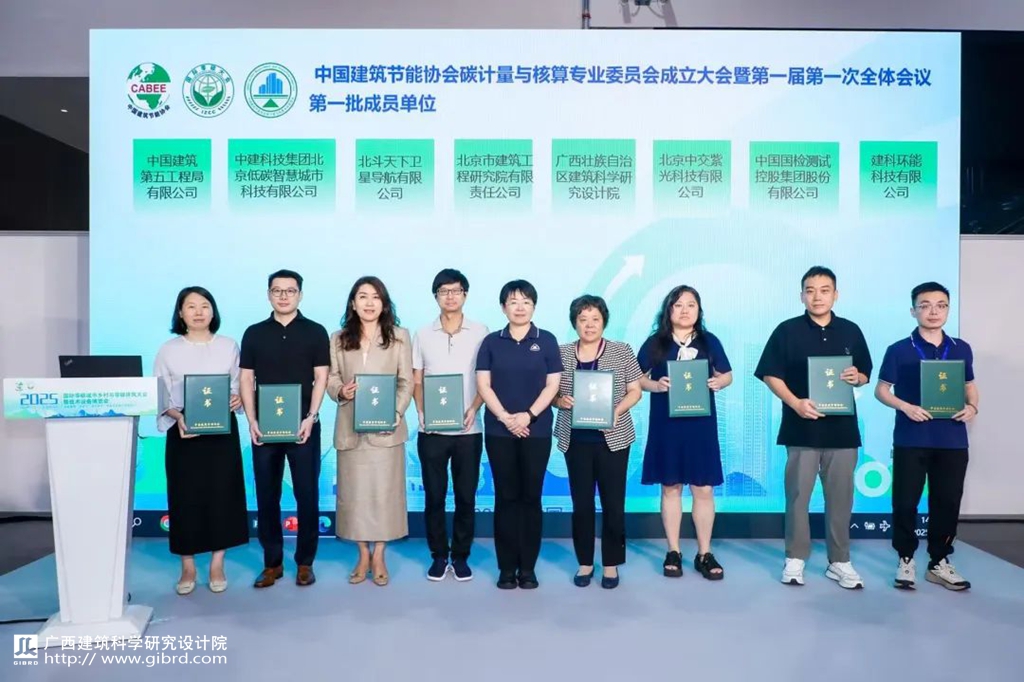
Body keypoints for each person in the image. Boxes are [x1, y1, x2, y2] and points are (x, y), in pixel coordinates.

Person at [755, 266, 872, 589]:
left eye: (824, 290)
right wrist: (795, 403)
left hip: (842, 431)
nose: (817, 296)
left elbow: (864, 372)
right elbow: (770, 374)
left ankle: (840, 561)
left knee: (841, 499)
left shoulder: (851, 331)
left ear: (836, 294)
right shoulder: (787, 331)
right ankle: (795, 557)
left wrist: (858, 377)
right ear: (801, 295)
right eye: (810, 290)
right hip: (801, 428)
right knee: (797, 496)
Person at [875, 281, 978, 591]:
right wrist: (905, 407)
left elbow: (970, 386)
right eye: (925, 305)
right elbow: (881, 390)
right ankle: (905, 558)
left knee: (947, 501)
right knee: (905, 501)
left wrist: (973, 407)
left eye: (941, 305)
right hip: (911, 438)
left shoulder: (961, 348)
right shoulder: (899, 349)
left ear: (948, 309)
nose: (934, 311)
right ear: (913, 310)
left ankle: (939, 561)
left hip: (952, 439)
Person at [154, 286, 249, 595]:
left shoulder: (229, 346)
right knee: (185, 497)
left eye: (204, 305)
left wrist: (238, 399)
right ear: (180, 313)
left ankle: (217, 563)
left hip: (222, 432)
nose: (198, 312)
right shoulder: (168, 350)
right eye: (191, 306)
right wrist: (177, 416)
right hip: (184, 431)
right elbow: (160, 394)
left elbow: (240, 385)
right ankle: (188, 565)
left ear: (213, 311)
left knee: (224, 494)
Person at [240, 270, 330, 589]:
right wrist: (251, 420)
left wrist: (311, 417)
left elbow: (321, 377)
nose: (283, 296)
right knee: (267, 495)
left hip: (304, 427)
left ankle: (305, 562)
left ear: (300, 295)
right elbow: (246, 378)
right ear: (269, 294)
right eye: (277, 290)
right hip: (264, 429)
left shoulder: (315, 332)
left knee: (307, 494)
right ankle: (272, 563)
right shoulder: (254, 333)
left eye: (290, 291)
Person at [637, 286, 733, 581]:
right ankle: (673, 551)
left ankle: (705, 553)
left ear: (698, 310)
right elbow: (636, 379)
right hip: (667, 425)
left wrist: (719, 383)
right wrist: (656, 385)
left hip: (700, 426)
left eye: (691, 305)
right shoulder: (655, 342)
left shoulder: (709, 341)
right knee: (670, 486)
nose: (685, 310)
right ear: (668, 310)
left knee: (703, 488)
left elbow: (727, 374)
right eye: (678, 305)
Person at [475, 280, 563, 590]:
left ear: (534, 306)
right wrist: (505, 417)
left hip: (536, 431)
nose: (520, 307)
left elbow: (553, 385)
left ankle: (527, 568)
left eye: (526, 301)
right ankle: (506, 568)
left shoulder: (547, 340)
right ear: (503, 307)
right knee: (506, 498)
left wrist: (528, 415)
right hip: (499, 432)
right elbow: (483, 385)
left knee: (531, 498)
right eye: (513, 302)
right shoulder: (491, 342)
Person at [327, 276, 413, 587]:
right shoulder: (338, 338)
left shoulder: (399, 337)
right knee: (355, 496)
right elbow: (331, 378)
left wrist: (396, 412)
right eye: (362, 296)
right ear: (353, 303)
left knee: (384, 495)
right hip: (351, 428)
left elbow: (406, 381)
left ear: (384, 303)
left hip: (387, 430)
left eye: (375, 297)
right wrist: (341, 390)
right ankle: (362, 553)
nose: (369, 302)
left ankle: (379, 554)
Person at [553, 295, 642, 589]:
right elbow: (550, 393)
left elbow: (635, 390)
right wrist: (560, 401)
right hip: (575, 438)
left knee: (613, 503)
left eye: (595, 319)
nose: (589, 325)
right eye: (583, 319)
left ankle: (611, 563)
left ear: (604, 321)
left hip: (613, 438)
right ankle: (585, 562)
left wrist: (616, 411)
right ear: (574, 323)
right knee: (581, 504)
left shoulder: (621, 350)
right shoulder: (562, 353)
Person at [412, 269, 488, 582]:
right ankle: (439, 555)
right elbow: (417, 379)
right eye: (444, 291)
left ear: (465, 295)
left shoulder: (481, 331)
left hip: (469, 430)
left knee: (466, 496)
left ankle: (460, 555)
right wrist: (421, 411)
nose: (450, 296)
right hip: (432, 431)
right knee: (434, 496)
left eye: (456, 290)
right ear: (436, 296)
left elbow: (486, 379)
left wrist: (474, 407)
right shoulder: (422, 334)